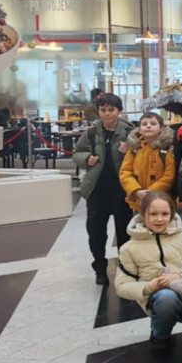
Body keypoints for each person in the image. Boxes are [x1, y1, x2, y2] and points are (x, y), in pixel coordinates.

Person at [114, 191, 182, 349]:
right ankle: (160, 334)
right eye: (153, 214)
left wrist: (179, 276)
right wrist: (149, 287)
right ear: (143, 215)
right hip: (160, 298)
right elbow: (122, 286)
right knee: (167, 298)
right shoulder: (129, 248)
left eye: (165, 214)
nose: (159, 219)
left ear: (172, 214)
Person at [73, 92, 135, 285]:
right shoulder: (92, 132)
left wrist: (130, 151)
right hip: (97, 189)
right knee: (96, 232)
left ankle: (125, 268)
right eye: (103, 110)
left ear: (119, 111)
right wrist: (86, 159)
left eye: (111, 109)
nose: (107, 114)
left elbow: (142, 154)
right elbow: (77, 153)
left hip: (121, 189)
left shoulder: (130, 132)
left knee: (124, 231)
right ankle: (100, 267)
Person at [119, 112, 176, 210]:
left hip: (160, 200)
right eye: (144, 124)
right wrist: (136, 191)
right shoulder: (134, 149)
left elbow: (169, 176)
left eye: (153, 124)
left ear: (162, 129)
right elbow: (125, 172)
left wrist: (149, 193)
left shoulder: (167, 149)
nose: (148, 126)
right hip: (138, 200)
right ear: (139, 129)